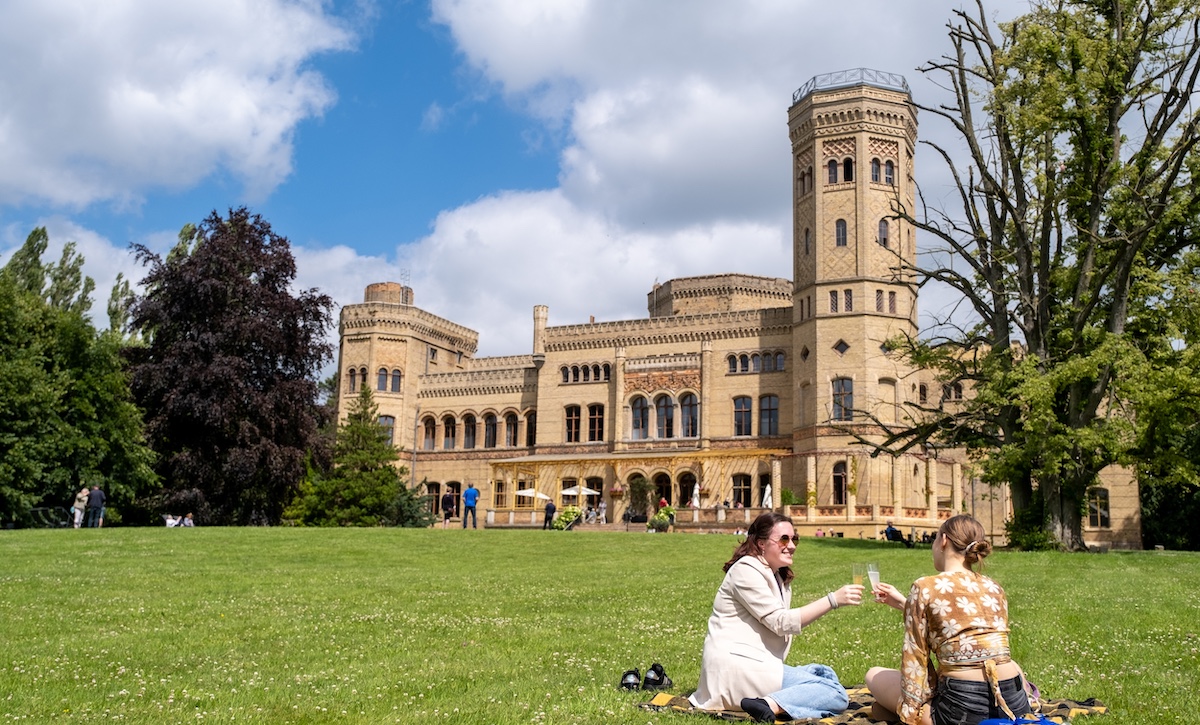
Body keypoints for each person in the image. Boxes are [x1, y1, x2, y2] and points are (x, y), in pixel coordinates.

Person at [689, 512, 864, 722]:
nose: (792, 545)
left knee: (823, 673)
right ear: (761, 543)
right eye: (784, 539)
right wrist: (832, 600)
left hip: (758, 664)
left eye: (794, 539)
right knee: (836, 694)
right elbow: (781, 623)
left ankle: (776, 701)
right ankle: (769, 704)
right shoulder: (745, 570)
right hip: (735, 669)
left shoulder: (775, 575)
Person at [865, 514, 1031, 725]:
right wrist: (905, 605)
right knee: (881, 708)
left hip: (962, 709)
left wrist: (910, 713)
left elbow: (915, 660)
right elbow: (962, 624)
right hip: (1014, 703)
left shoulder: (925, 586)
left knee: (874, 675)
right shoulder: (994, 587)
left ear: (943, 541)